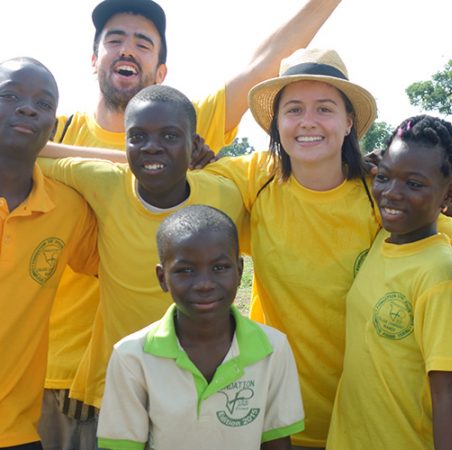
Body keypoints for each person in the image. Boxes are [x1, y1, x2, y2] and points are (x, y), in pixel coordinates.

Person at [39, 0, 341, 446]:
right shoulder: (58, 133)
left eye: (143, 43)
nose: (127, 50)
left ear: (161, 71)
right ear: (93, 58)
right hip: (57, 370)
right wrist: (133, 159)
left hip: (173, 377)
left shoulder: (189, 124)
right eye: (114, 40)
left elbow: (266, 63)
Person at [38, 85, 246, 441]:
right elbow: (31, 151)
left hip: (200, 391)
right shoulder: (104, 182)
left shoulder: (224, 195)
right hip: (119, 391)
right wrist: (128, 158)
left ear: (192, 141)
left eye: (169, 136)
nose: (152, 146)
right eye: (138, 137)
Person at [97, 205, 303, 450]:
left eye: (219, 268)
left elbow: (277, 442)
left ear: (239, 271)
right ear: (162, 278)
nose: (204, 284)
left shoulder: (272, 349)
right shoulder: (132, 357)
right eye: (185, 271)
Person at [326, 115, 452, 450]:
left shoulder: (437, 275)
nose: (392, 193)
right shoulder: (383, 238)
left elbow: (447, 396)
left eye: (414, 184)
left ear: (449, 194)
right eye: (385, 177)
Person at [0, 57, 98, 449]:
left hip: (18, 432)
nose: (27, 108)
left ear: (53, 127)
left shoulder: (68, 209)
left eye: (43, 104)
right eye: (10, 96)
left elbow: (121, 267)